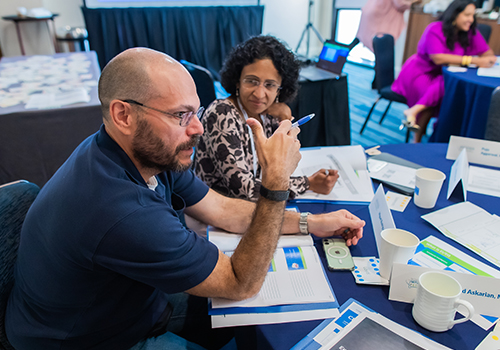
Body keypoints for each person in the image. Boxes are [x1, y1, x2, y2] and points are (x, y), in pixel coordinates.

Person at [5, 48, 365, 349]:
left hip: (128, 302)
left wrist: (310, 222)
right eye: (181, 115)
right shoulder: (120, 210)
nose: (197, 128)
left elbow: (223, 208)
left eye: (197, 111)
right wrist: (275, 184)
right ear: (123, 114)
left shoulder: (140, 151)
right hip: (89, 340)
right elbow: (241, 281)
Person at [194, 35, 339, 201]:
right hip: (215, 212)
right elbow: (244, 189)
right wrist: (308, 183)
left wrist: (285, 121)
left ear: (280, 89)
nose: (259, 94)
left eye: (270, 85)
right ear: (237, 81)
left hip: (248, 208)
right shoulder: (221, 114)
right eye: (251, 81)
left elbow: (279, 168)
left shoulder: (269, 114)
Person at [391, 0, 496, 142]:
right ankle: (417, 140)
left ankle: (417, 115)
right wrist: (474, 60)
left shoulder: (470, 32)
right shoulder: (435, 29)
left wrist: (485, 59)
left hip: (443, 76)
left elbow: (488, 54)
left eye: (473, 15)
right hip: (421, 72)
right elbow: (438, 58)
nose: (471, 20)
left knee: (446, 86)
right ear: (454, 15)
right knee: (440, 91)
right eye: (467, 15)